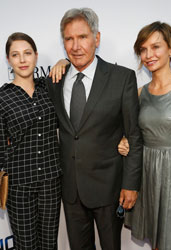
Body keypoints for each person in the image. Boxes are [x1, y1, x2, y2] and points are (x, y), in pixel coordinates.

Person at [46, 7, 143, 250]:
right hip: (70, 190)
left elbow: (133, 135)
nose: (75, 46)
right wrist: (62, 62)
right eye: (69, 39)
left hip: (109, 188)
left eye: (83, 37)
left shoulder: (122, 78)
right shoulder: (54, 81)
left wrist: (131, 184)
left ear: (96, 38)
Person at [118, 21, 171, 250]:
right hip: (145, 173)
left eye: (155, 47)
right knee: (156, 240)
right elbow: (134, 136)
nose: (148, 55)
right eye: (143, 50)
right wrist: (125, 144)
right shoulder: (140, 93)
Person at [0, 32, 62, 250]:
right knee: (25, 245)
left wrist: (63, 61)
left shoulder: (50, 87)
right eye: (15, 55)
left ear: (36, 56)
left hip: (51, 180)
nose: (22, 59)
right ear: (8, 60)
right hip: (19, 184)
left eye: (27, 53)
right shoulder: (2, 97)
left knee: (49, 244)